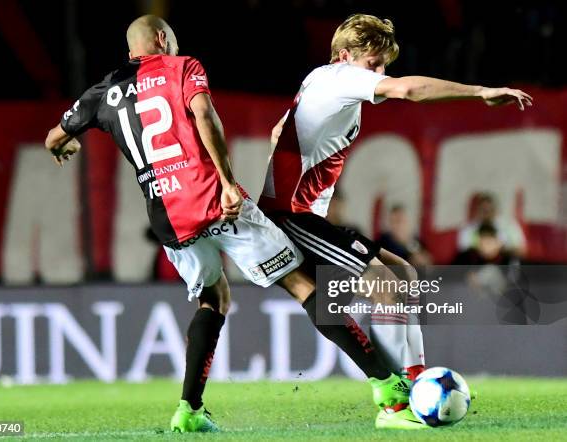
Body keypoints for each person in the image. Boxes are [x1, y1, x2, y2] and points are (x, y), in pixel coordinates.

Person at [45, 15, 416, 432]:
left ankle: (189, 410)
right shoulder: (183, 66)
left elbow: (55, 137)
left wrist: (67, 143)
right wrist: (225, 182)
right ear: (163, 40)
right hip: (211, 199)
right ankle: (390, 391)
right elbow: (204, 116)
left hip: (167, 217)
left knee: (214, 299)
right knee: (303, 285)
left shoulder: (102, 92)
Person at [260, 13, 532, 428]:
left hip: (304, 214)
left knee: (404, 272)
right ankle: (395, 406)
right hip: (291, 217)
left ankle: (416, 379)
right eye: (374, 64)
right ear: (346, 55)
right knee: (385, 287)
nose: (381, 74)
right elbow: (410, 89)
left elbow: (281, 129)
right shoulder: (339, 78)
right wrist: (480, 91)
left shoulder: (324, 82)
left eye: (383, 64)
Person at [457, 192, 527, 258]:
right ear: (477, 210)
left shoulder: (509, 225)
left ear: (496, 209)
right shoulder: (468, 228)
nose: (487, 212)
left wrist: (499, 251)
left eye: (489, 209)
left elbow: (521, 250)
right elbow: (463, 251)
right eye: (483, 209)